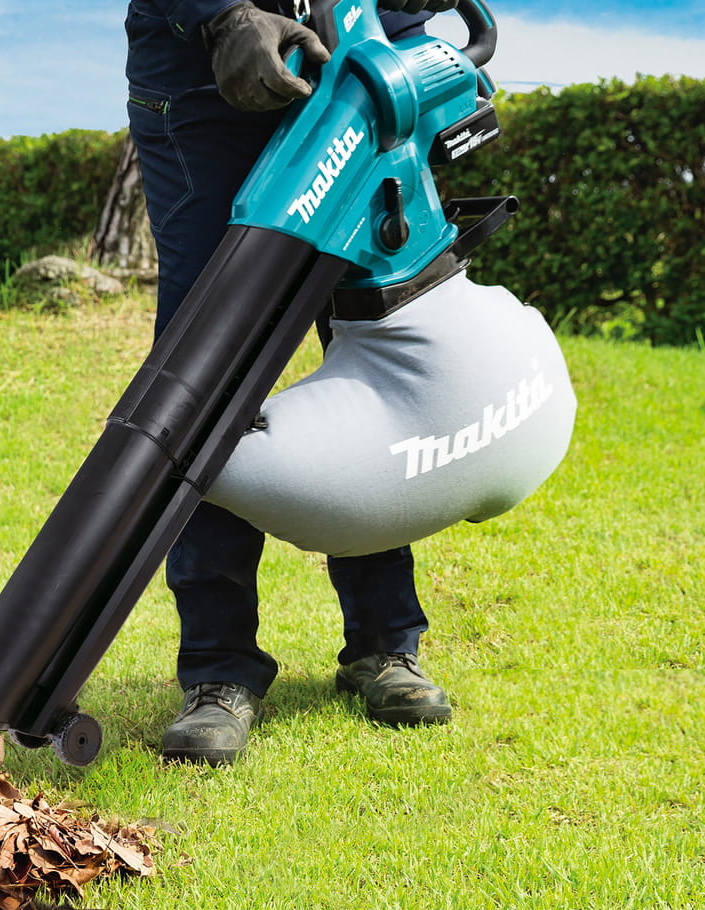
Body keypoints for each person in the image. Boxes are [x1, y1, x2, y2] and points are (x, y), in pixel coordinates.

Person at [126, 0, 457, 765]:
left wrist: (406, 32)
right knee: (209, 371)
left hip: (357, 68)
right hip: (210, 82)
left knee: (373, 353)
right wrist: (221, 15)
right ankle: (218, 667)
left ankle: (385, 643)